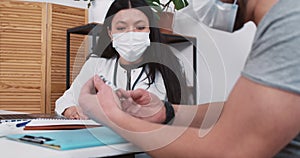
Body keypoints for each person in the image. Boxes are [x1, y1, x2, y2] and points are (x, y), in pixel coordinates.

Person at [79, 0, 300, 157]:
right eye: (121, 27)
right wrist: (167, 112)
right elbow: (251, 113)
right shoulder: (283, 22)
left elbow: (228, 149)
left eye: (140, 27)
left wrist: (112, 116)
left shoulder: (290, 24)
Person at [55, 0, 190, 119]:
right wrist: (71, 110)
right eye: (121, 28)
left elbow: (180, 116)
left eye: (140, 27)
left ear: (150, 30)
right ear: (110, 33)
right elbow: (66, 101)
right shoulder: (95, 65)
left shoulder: (168, 68)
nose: (131, 34)